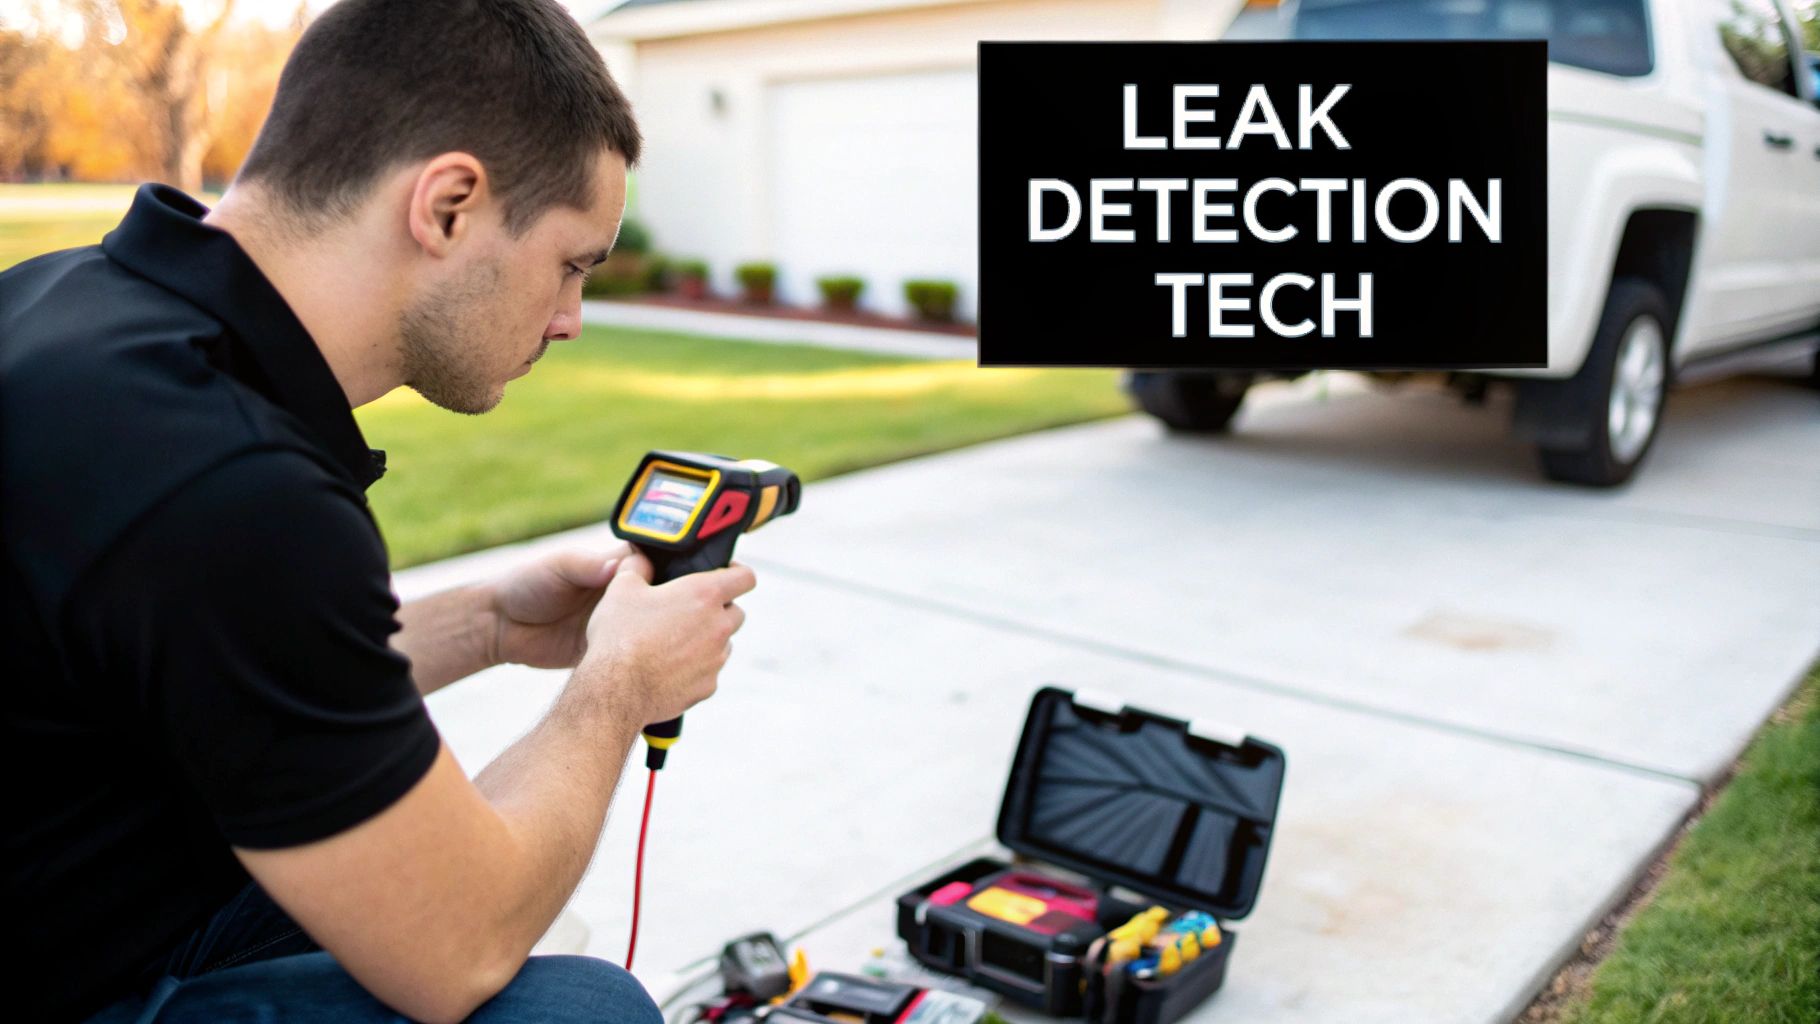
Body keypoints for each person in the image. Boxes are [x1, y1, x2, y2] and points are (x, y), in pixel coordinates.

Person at [0, 1, 755, 1020]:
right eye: (571, 263)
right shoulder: (233, 485)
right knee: (583, 1009)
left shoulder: (60, 301)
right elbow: (460, 948)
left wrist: (488, 622)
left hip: (68, 886)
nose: (570, 319)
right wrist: (619, 685)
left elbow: (213, 658)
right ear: (447, 205)